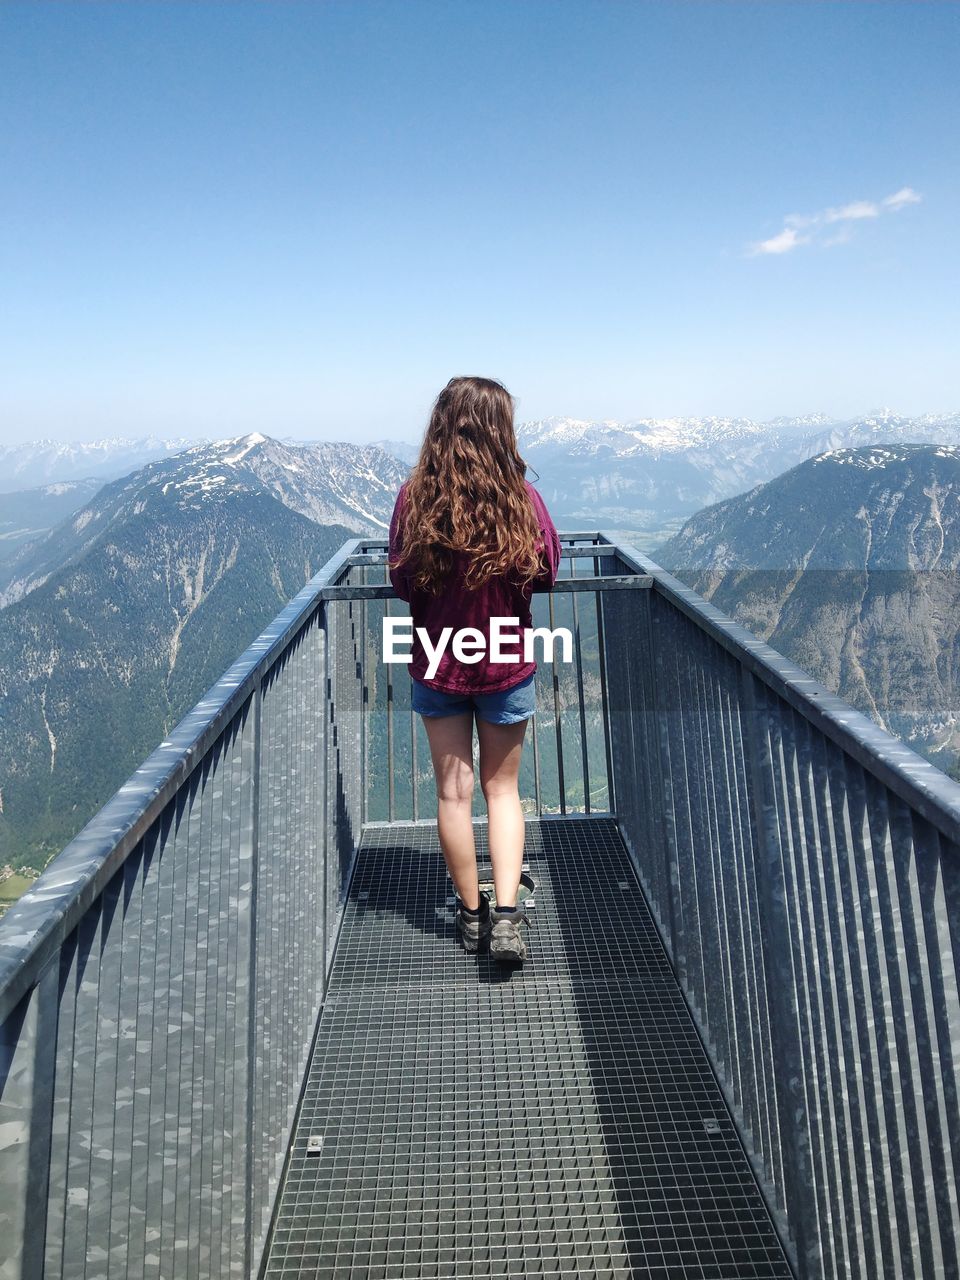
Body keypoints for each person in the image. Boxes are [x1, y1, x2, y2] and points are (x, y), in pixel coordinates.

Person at [387, 375, 562, 963]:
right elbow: (546, 570)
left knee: (453, 795)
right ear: (499, 430)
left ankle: (470, 916)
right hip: (505, 663)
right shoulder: (521, 500)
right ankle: (507, 918)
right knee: (503, 791)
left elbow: (402, 579)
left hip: (439, 661)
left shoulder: (416, 499)